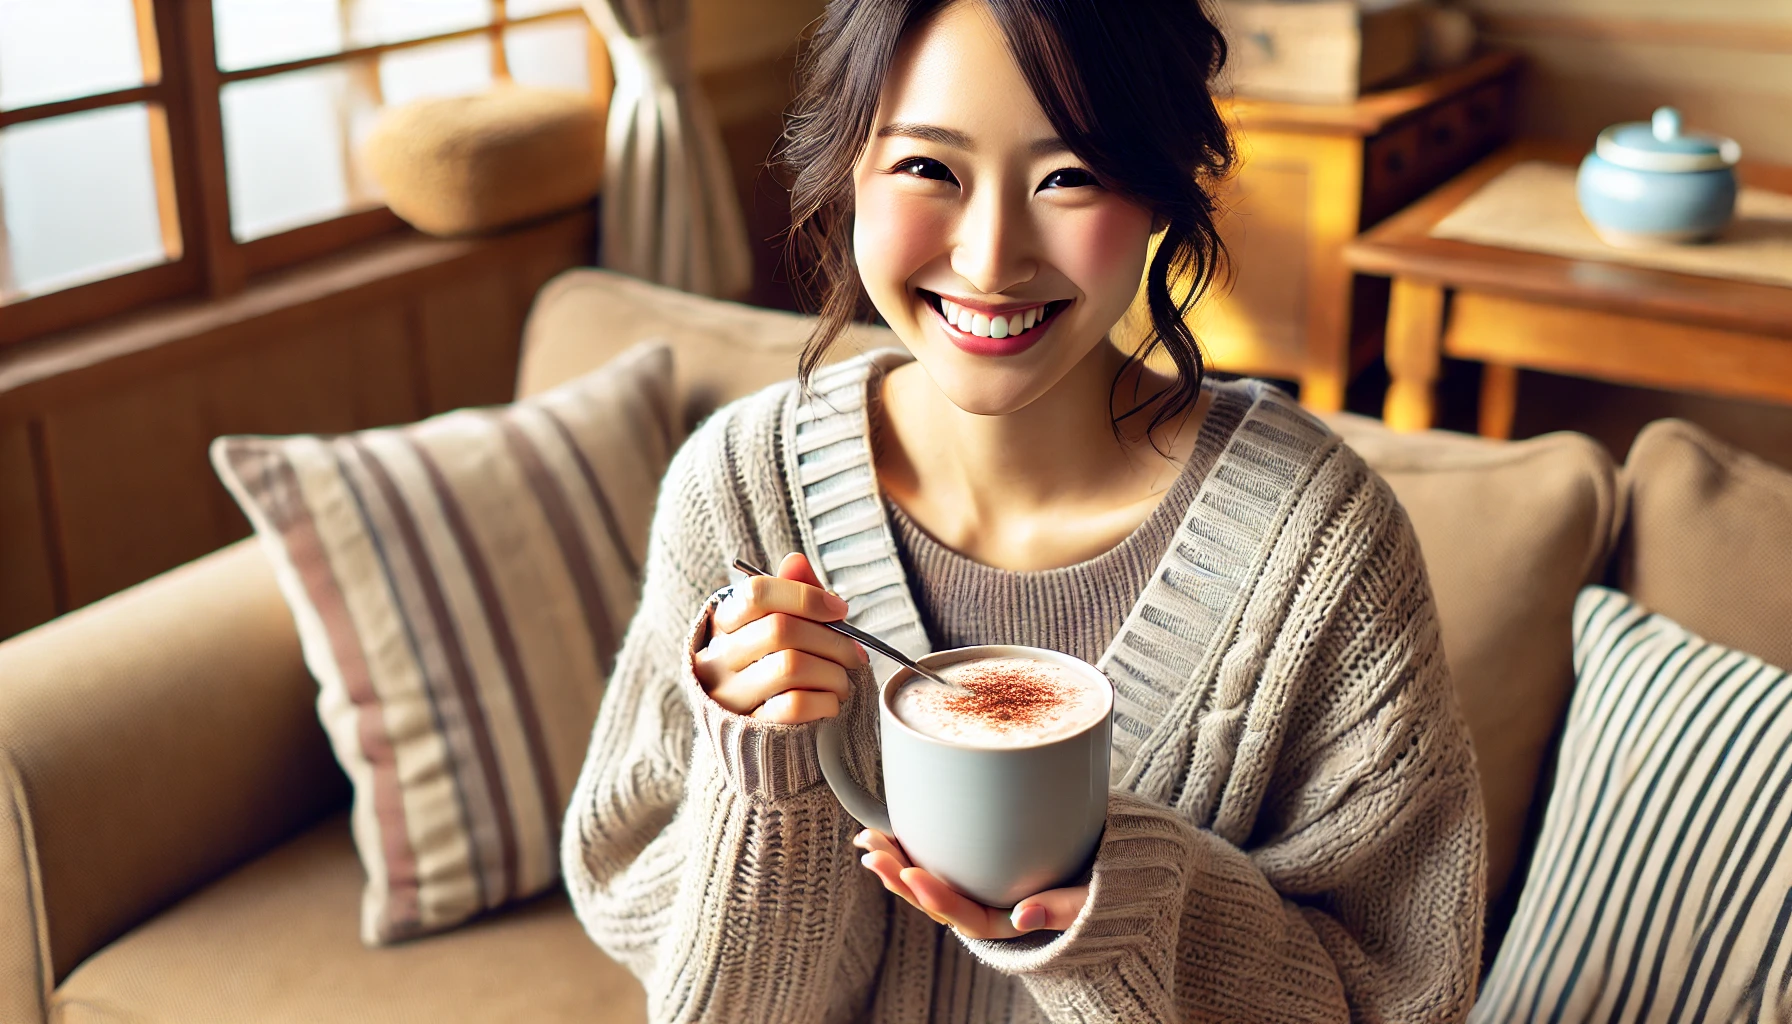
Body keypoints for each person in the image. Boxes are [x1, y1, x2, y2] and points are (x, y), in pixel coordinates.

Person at [561, 0, 1486, 1020]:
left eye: (1070, 176)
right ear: (847, 170)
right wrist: (767, 785)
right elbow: (667, 944)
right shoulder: (738, 489)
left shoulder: (1320, 547)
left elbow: (1400, 995)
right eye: (927, 168)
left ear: (1160, 191)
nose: (992, 258)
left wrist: (1130, 907)